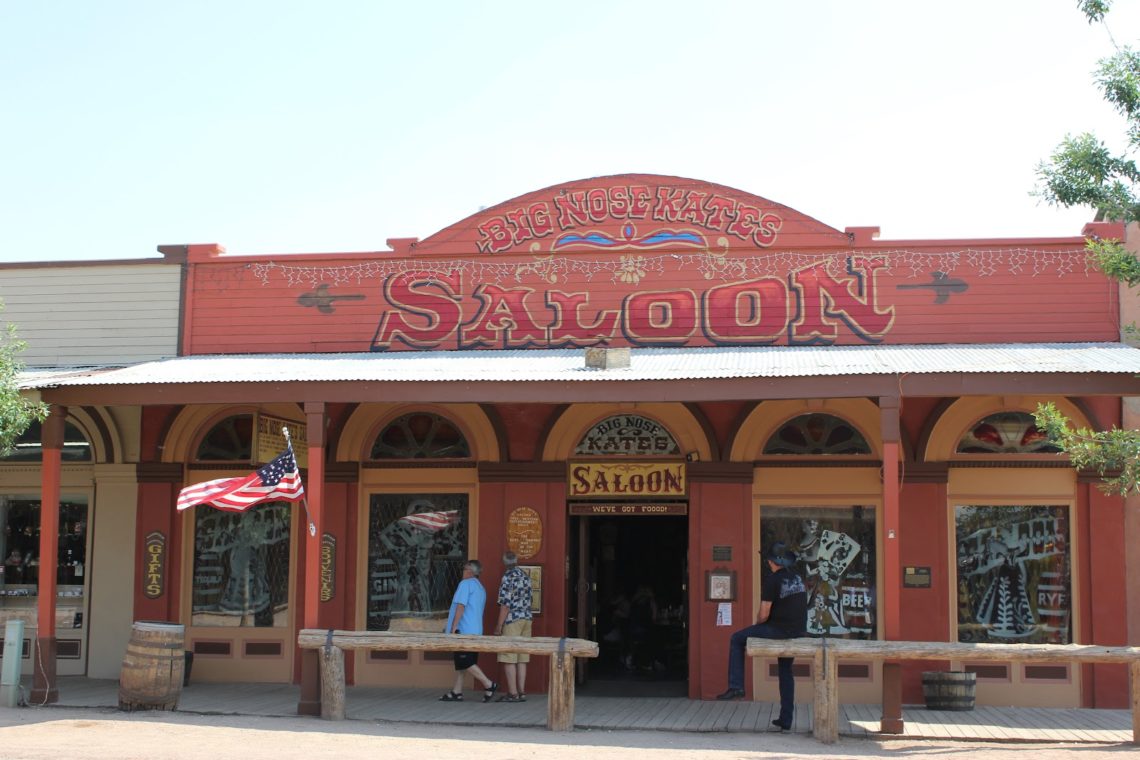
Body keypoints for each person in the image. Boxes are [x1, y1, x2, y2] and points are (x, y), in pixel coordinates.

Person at [716, 542, 807, 733]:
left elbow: (764, 612)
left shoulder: (772, 580)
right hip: (797, 631)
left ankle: (736, 686)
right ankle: (786, 719)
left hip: (779, 630)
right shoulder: (797, 578)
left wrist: (758, 626)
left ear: (771, 562)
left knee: (737, 638)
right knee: (785, 672)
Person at [439, 559, 499, 702]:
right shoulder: (480, 587)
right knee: (464, 663)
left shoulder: (465, 584)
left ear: (470, 571)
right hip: (476, 630)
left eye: (464, 569)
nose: (462, 572)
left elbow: (461, 606)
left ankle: (488, 684)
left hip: (464, 630)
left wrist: (454, 626)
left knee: (465, 661)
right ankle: (457, 691)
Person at [492, 550, 533, 701]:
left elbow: (505, 604)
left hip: (512, 619)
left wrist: (498, 625)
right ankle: (522, 692)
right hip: (527, 618)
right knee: (522, 657)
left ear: (504, 562)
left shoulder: (508, 577)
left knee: (509, 656)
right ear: (516, 561)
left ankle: (513, 693)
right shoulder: (525, 576)